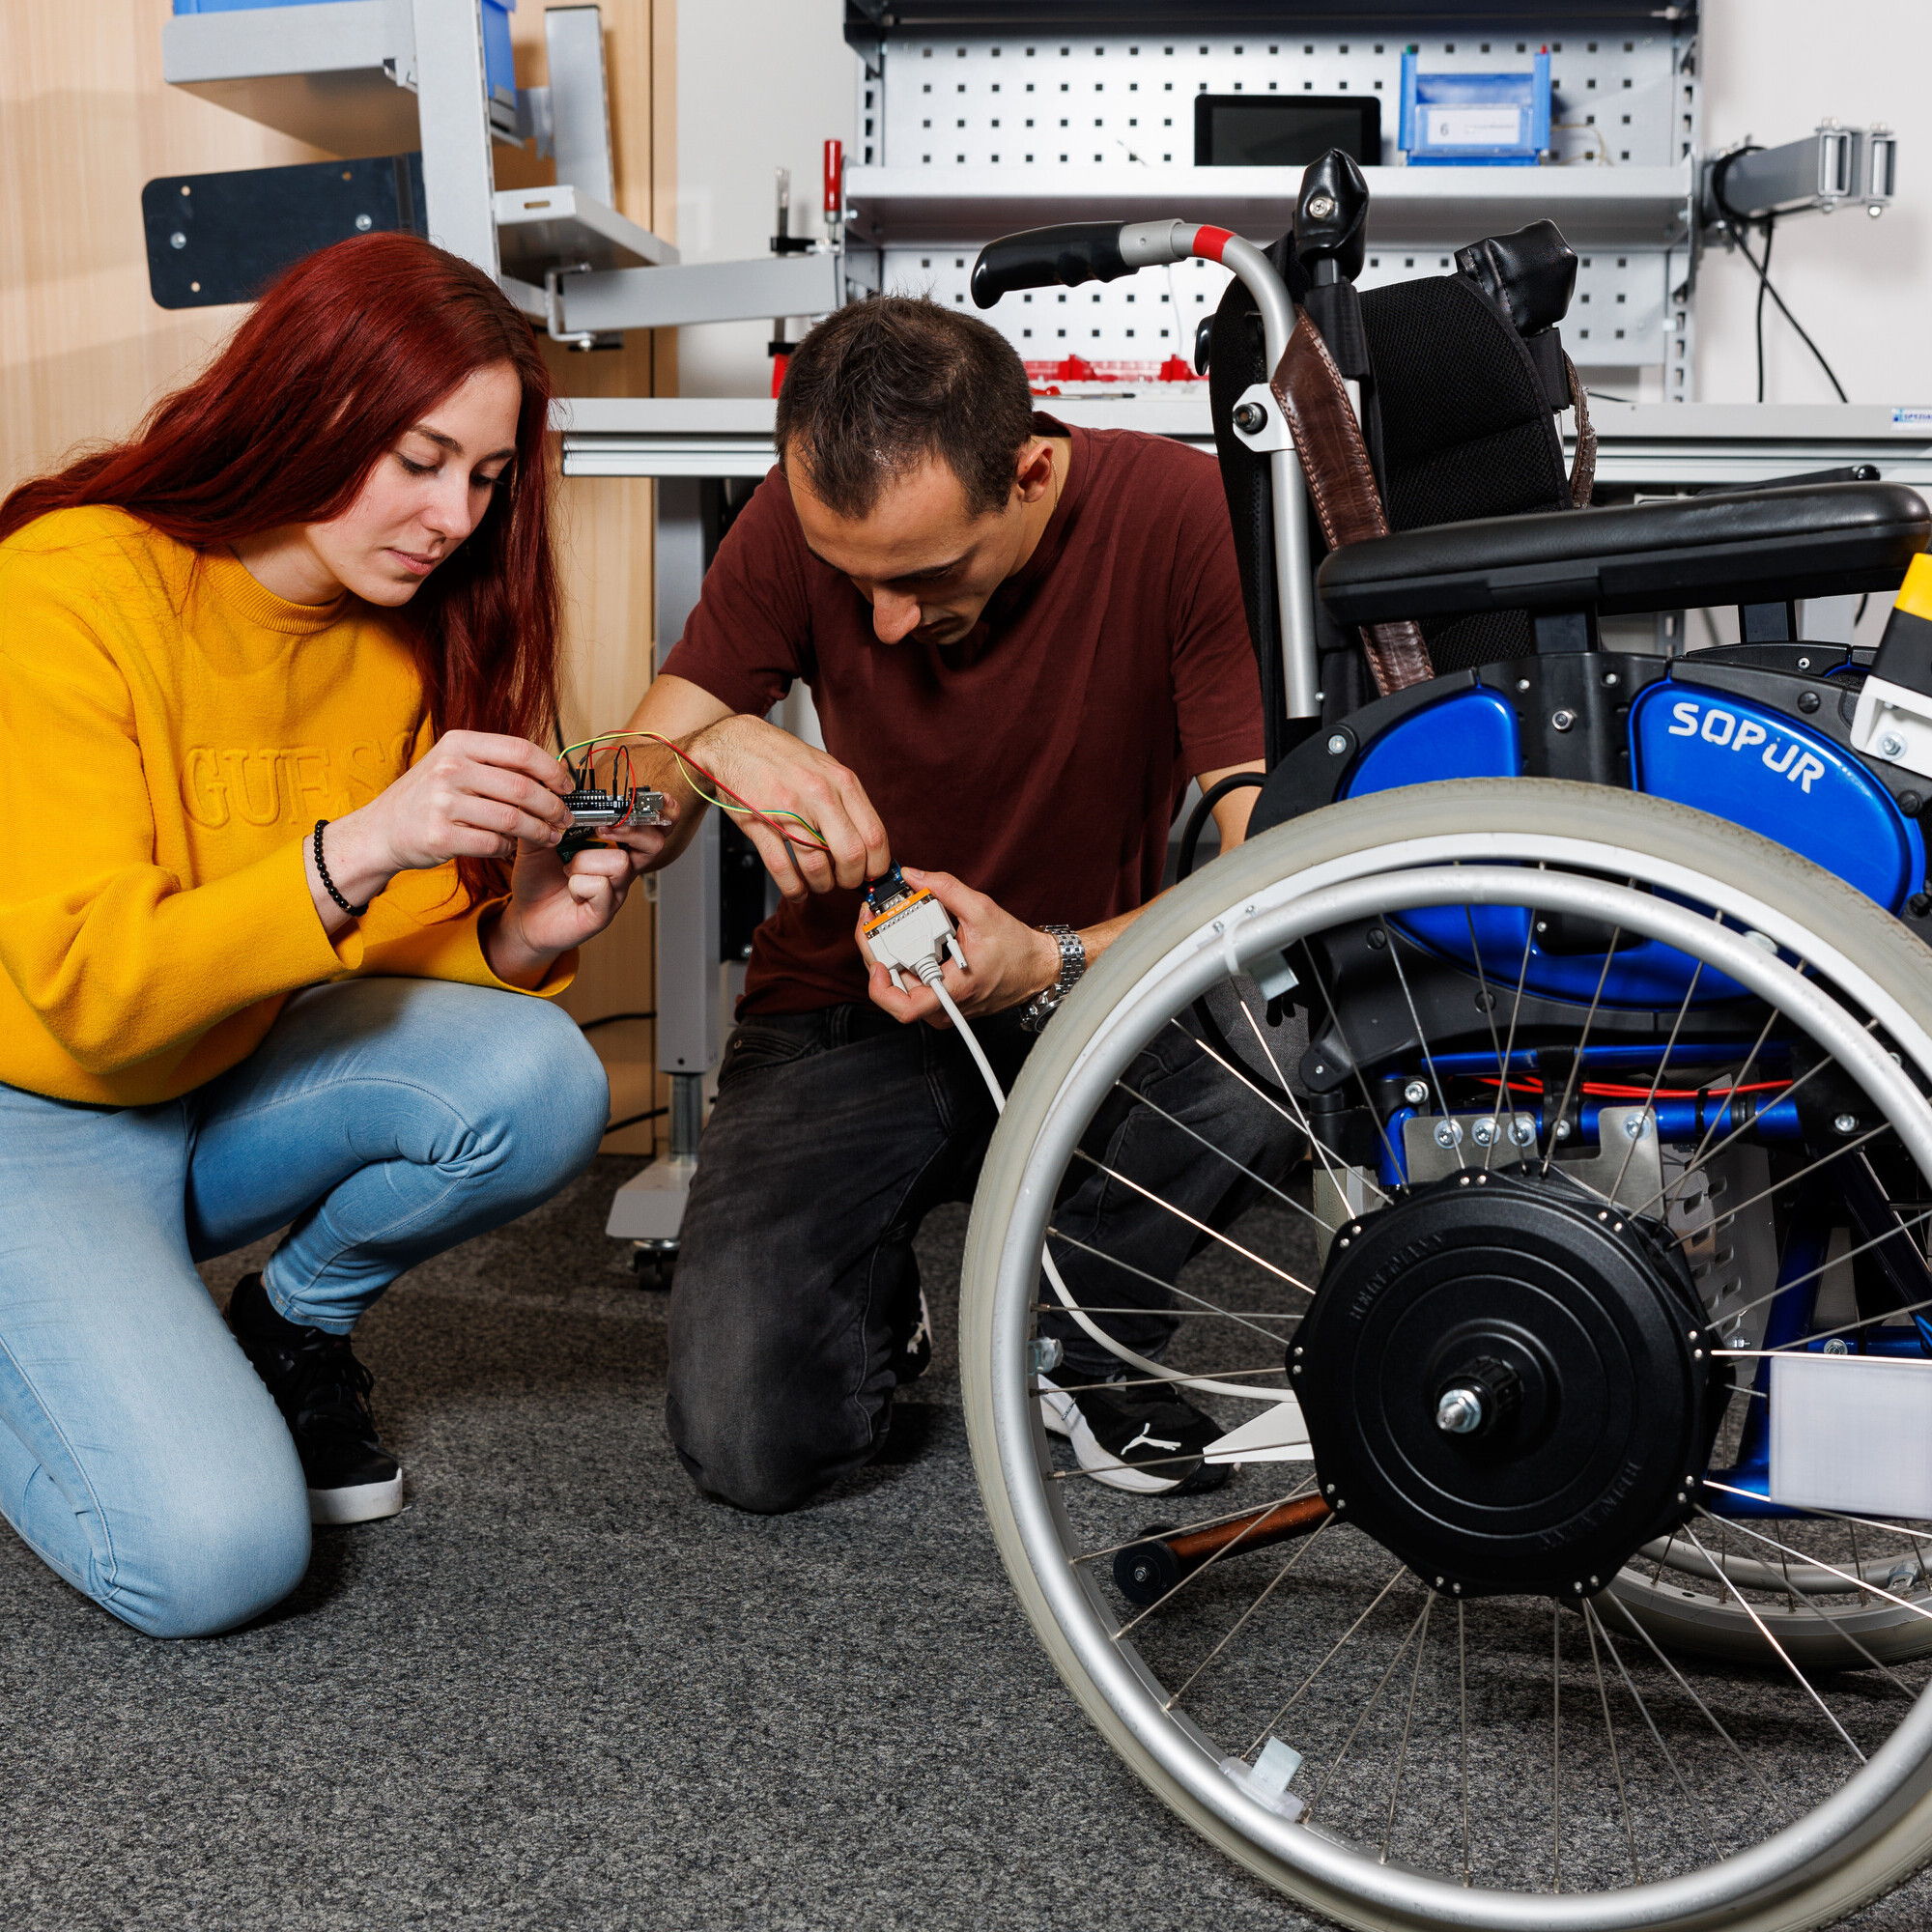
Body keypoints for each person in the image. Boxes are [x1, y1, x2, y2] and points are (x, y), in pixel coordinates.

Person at [0, 234, 664, 1638]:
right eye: (421, 459)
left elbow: (373, 966)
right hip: (36, 1114)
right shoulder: (66, 588)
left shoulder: (400, 637)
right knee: (216, 1560)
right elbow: (93, 993)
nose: (454, 517)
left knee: (542, 1069)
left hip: (211, 1086)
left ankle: (287, 1320)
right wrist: (358, 844)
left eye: (485, 480)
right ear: (310, 401)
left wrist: (526, 938)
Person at [619, 296, 1300, 1515]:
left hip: (1081, 993)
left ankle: (1081, 1336)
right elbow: (627, 802)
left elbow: (1272, 872)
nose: (884, 624)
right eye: (850, 580)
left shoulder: (1176, 513)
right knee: (751, 1447)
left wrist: (1046, 956)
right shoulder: (797, 513)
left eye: (926, 574)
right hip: (843, 1005)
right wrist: (706, 746)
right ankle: (885, 1291)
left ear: (1029, 469)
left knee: (1288, 1033)